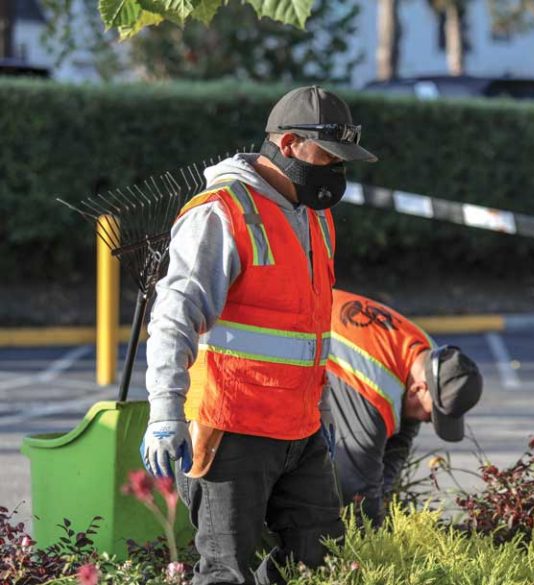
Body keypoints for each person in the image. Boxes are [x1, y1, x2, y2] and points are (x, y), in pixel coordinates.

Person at [140, 86, 377, 585]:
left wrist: (323, 416)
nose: (337, 170)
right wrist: (164, 412)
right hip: (231, 430)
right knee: (226, 572)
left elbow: (308, 334)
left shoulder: (317, 217)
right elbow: (173, 316)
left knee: (320, 563)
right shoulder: (221, 211)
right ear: (289, 143)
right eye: (329, 156)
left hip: (301, 431)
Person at [322, 289, 483, 525]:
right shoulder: (373, 393)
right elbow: (357, 491)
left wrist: (386, 494)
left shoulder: (427, 354)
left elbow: (404, 432)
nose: (428, 421)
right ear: (419, 389)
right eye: (432, 414)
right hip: (284, 330)